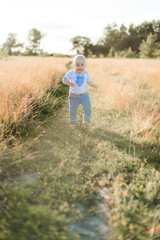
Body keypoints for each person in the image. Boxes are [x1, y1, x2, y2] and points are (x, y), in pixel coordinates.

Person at [62, 55, 98, 127]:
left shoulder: (86, 73)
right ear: (73, 65)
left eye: (82, 65)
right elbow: (64, 79)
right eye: (77, 65)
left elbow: (89, 81)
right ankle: (73, 123)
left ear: (85, 65)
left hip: (84, 95)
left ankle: (86, 121)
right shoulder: (71, 73)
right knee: (73, 110)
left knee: (87, 108)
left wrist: (93, 85)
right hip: (73, 96)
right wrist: (69, 83)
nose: (80, 67)